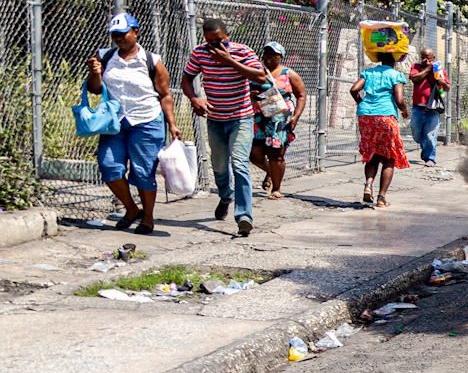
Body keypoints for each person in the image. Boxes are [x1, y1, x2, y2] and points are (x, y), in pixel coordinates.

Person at [87, 13, 181, 234]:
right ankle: (131, 209)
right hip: (115, 121)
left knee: (143, 172)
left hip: (146, 120)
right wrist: (94, 73)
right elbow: (95, 89)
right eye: (115, 35)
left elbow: (165, 94)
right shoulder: (105, 56)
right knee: (109, 166)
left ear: (135, 32)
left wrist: (172, 123)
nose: (119, 38)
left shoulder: (151, 60)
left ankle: (147, 217)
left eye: (123, 34)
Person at [182, 17, 268, 237]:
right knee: (219, 167)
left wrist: (229, 61)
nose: (214, 45)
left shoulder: (243, 52)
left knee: (239, 164)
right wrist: (194, 99)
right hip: (215, 119)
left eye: (218, 40)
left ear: (227, 35)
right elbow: (187, 79)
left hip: (241, 118)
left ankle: (244, 216)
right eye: (209, 41)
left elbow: (260, 76)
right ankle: (225, 196)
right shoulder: (200, 53)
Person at [248, 41, 307, 200]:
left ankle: (276, 188)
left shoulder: (289, 74)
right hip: (259, 118)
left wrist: (296, 116)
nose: (268, 56)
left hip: (280, 119)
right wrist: (250, 94)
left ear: (281, 56)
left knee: (276, 154)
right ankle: (270, 171)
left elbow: (301, 95)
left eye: (273, 53)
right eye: (266, 52)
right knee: (254, 154)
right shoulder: (256, 71)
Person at [351, 50, 410, 207]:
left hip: (366, 116)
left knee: (372, 153)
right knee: (390, 156)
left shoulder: (368, 72)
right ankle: (381, 197)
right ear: (395, 60)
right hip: (385, 116)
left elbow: (353, 89)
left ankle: (368, 185)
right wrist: (404, 110)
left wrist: (362, 103)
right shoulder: (395, 75)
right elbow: (399, 99)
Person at [408, 48, 449, 165]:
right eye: (423, 57)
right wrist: (427, 69)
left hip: (433, 108)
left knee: (430, 135)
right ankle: (425, 147)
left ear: (433, 58)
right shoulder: (416, 66)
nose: (426, 60)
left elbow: (447, 87)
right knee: (416, 133)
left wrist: (443, 83)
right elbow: (414, 79)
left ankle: (430, 158)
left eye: (428, 58)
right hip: (418, 106)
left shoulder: (439, 70)